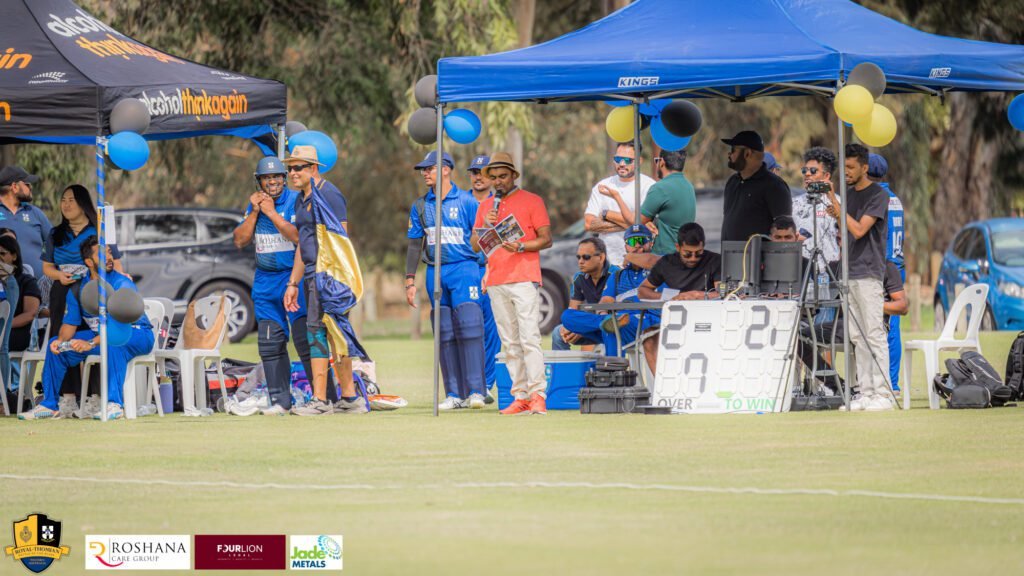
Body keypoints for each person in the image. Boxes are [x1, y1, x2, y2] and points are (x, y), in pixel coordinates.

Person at [20, 236, 154, 420]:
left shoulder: (122, 283)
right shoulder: (78, 288)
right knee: (55, 346)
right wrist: (61, 341)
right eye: (102, 254)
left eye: (109, 252)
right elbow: (69, 325)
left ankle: (115, 405)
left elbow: (117, 328)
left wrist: (90, 343)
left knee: (114, 343)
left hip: (136, 334)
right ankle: (49, 405)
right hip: (100, 337)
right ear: (89, 262)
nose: (109, 257)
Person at [284, 145, 366, 416]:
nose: (292, 173)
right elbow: (303, 243)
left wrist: (333, 281)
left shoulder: (329, 194)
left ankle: (320, 401)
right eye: (290, 168)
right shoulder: (300, 199)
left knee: (319, 333)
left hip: (328, 277)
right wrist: (293, 283)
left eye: (298, 168)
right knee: (330, 334)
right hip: (310, 276)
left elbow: (341, 241)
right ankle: (350, 399)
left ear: (313, 168)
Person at [405, 151, 488, 410]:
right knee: (444, 332)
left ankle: (477, 391)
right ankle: (454, 394)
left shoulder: (467, 201)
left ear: (445, 169)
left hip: (465, 269)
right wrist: (409, 281)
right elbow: (414, 245)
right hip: (435, 271)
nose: (425, 173)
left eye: (429, 168)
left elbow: (484, 240)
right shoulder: (421, 205)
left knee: (470, 328)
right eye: (423, 169)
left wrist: (488, 270)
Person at [471, 152, 552, 415]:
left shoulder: (532, 200)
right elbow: (474, 245)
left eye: (503, 176)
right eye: (494, 177)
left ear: (514, 176)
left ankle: (538, 394)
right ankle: (521, 396)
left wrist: (521, 246)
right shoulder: (485, 206)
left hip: (524, 277)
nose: (498, 181)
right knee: (510, 342)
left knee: (529, 338)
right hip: (496, 279)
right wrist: (486, 223)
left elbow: (546, 239)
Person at [232, 156, 313, 416]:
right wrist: (256, 212)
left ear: (284, 178)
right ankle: (280, 401)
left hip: (293, 278)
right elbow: (239, 240)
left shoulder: (296, 200)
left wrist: (270, 213)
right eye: (267, 178)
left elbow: (299, 237)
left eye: (277, 176)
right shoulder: (255, 204)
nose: (273, 182)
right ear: (259, 181)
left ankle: (321, 397)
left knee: (304, 340)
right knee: (270, 343)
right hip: (266, 281)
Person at [42, 185, 124, 418]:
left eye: (71, 200)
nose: (66, 204)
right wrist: (59, 276)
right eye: (63, 200)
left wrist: (119, 282)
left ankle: (96, 396)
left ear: (83, 203)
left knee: (97, 337)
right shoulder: (55, 233)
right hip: (64, 292)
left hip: (95, 291)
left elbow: (115, 263)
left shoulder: (99, 230)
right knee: (63, 340)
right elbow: (47, 267)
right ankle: (68, 397)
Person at [825, 143, 891, 411]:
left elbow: (860, 229)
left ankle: (883, 394)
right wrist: (835, 204)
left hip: (869, 272)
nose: (847, 172)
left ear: (865, 167)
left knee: (873, 333)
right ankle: (865, 392)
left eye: (851, 167)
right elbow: (845, 227)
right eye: (845, 167)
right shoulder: (848, 196)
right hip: (849, 271)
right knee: (856, 336)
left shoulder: (878, 195)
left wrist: (838, 206)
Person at [798, 261, 908, 396]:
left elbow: (902, 306)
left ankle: (867, 389)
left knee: (861, 335)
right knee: (800, 338)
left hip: (873, 325)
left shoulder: (886, 267)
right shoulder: (836, 267)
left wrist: (874, 305)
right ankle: (838, 386)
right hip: (843, 325)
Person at [637, 223, 722, 373]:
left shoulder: (715, 260)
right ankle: (662, 384)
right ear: (678, 247)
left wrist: (696, 295)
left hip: (709, 320)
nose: (693, 258)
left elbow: (724, 294)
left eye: (698, 253)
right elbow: (642, 291)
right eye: (687, 254)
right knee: (648, 338)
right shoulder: (666, 263)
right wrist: (671, 297)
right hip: (677, 321)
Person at [584, 142, 656, 266]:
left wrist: (607, 215)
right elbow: (589, 224)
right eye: (618, 159)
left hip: (639, 262)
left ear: (639, 161)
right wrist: (634, 225)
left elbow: (643, 224)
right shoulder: (603, 186)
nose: (622, 164)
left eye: (627, 160)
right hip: (607, 262)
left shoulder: (649, 186)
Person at [868, 153, 905, 392]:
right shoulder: (894, 198)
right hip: (897, 265)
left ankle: (891, 382)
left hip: (885, 268)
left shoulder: (877, 199)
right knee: (893, 327)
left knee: (887, 328)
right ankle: (891, 381)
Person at [465, 154, 501, 402]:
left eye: (483, 172)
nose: (478, 177)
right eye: (474, 172)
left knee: (492, 329)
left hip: (492, 270)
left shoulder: (498, 202)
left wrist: (490, 268)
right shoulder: (460, 200)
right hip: (465, 270)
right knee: (468, 329)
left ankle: (486, 383)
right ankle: (469, 384)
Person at [720, 131, 791, 242]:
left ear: (747, 153)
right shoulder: (732, 182)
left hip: (760, 253)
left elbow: (785, 232)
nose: (729, 154)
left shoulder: (775, 186)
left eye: (733, 150)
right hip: (729, 252)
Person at [552, 237, 616, 351]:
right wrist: (575, 327)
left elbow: (623, 312)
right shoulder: (579, 277)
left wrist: (582, 329)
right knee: (558, 332)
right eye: (578, 257)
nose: (580, 261)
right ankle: (564, 364)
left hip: (613, 327)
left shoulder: (616, 274)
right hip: (590, 324)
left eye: (586, 257)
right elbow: (573, 310)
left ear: (601, 257)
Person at [641, 149, 696, 257]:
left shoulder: (661, 188)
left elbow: (637, 221)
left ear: (662, 162)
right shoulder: (689, 186)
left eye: (657, 161)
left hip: (665, 257)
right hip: (683, 255)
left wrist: (608, 213)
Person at [792, 147, 841, 269]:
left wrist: (832, 200)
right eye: (804, 170)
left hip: (830, 268)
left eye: (813, 171)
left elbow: (847, 233)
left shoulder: (839, 202)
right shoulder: (794, 203)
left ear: (827, 176)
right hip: (801, 268)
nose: (807, 174)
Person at [0, 166, 51, 278]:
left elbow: (57, 243)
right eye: (27, 184)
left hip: (39, 285)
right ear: (14, 187)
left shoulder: (35, 213)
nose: (31, 187)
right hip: (4, 286)